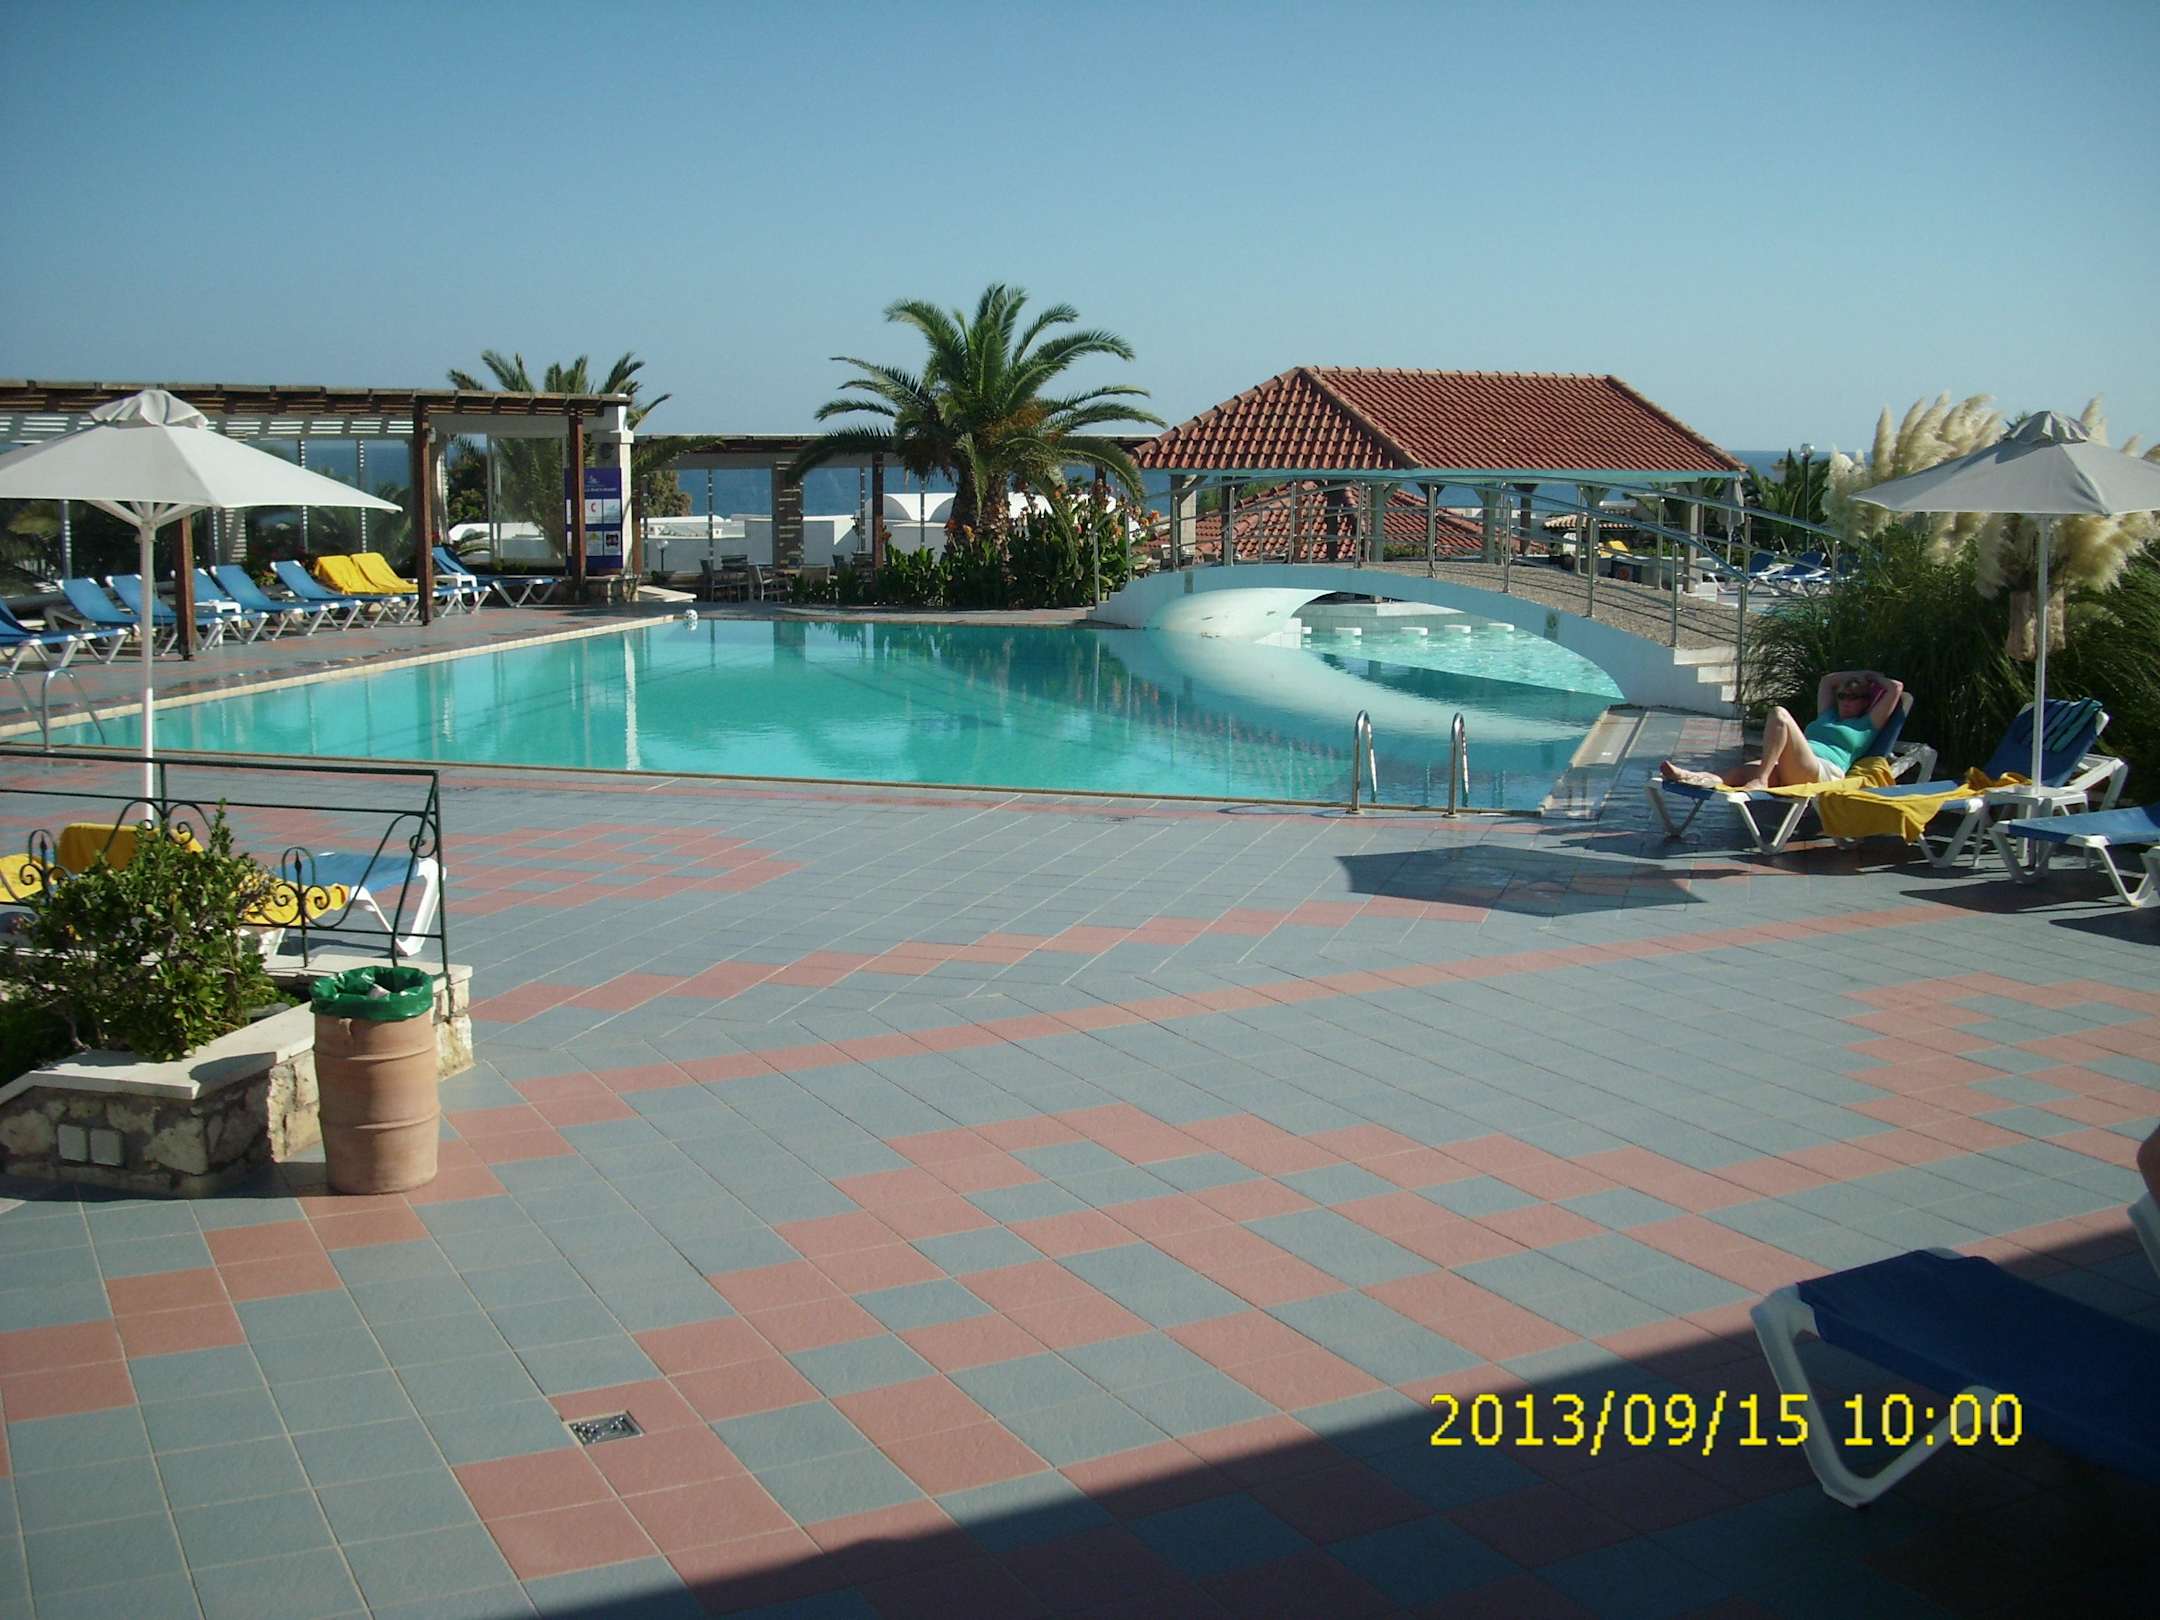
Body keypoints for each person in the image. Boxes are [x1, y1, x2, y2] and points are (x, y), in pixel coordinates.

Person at [1661, 670, 1905, 792]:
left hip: (1822, 771)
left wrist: (1871, 677)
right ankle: (1687, 776)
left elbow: (1896, 688)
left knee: (1779, 714)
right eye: (1842, 696)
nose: (1846, 701)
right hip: (1791, 767)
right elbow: (1827, 681)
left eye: (1854, 697)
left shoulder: (1866, 724)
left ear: (1865, 702)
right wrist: (1857, 674)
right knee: (1732, 776)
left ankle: (1761, 779)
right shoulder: (1828, 715)